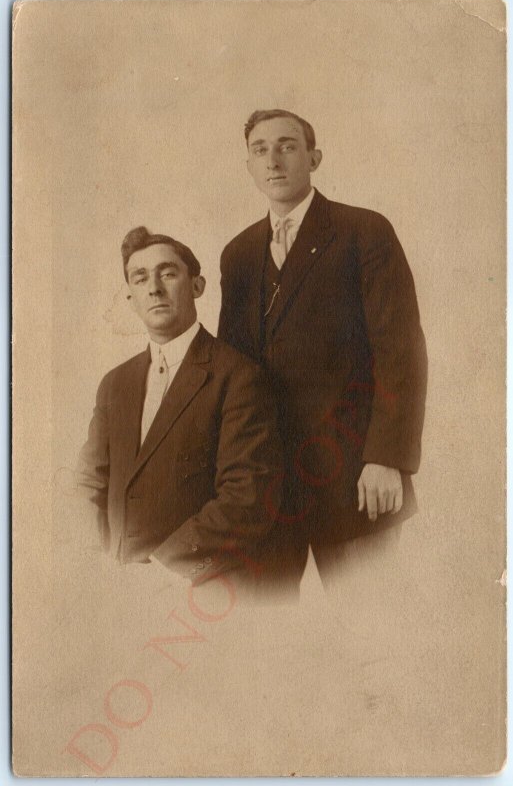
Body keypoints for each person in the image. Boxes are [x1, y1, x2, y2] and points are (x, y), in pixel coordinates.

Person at [218, 109, 428, 596]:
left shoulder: (363, 231)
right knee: (266, 643)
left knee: (371, 632)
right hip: (267, 491)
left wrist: (386, 458)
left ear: (313, 157)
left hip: (355, 480)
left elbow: (400, 352)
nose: (274, 159)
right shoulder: (238, 254)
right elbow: (234, 371)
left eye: (288, 145)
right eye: (260, 149)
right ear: (249, 166)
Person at [76, 226, 282, 590]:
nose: (153, 287)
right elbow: (90, 483)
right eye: (139, 279)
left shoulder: (238, 375)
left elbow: (246, 496)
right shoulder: (114, 384)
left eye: (167, 273)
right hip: (114, 586)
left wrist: (161, 568)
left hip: (195, 589)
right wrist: (97, 563)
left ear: (197, 286)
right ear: (130, 298)